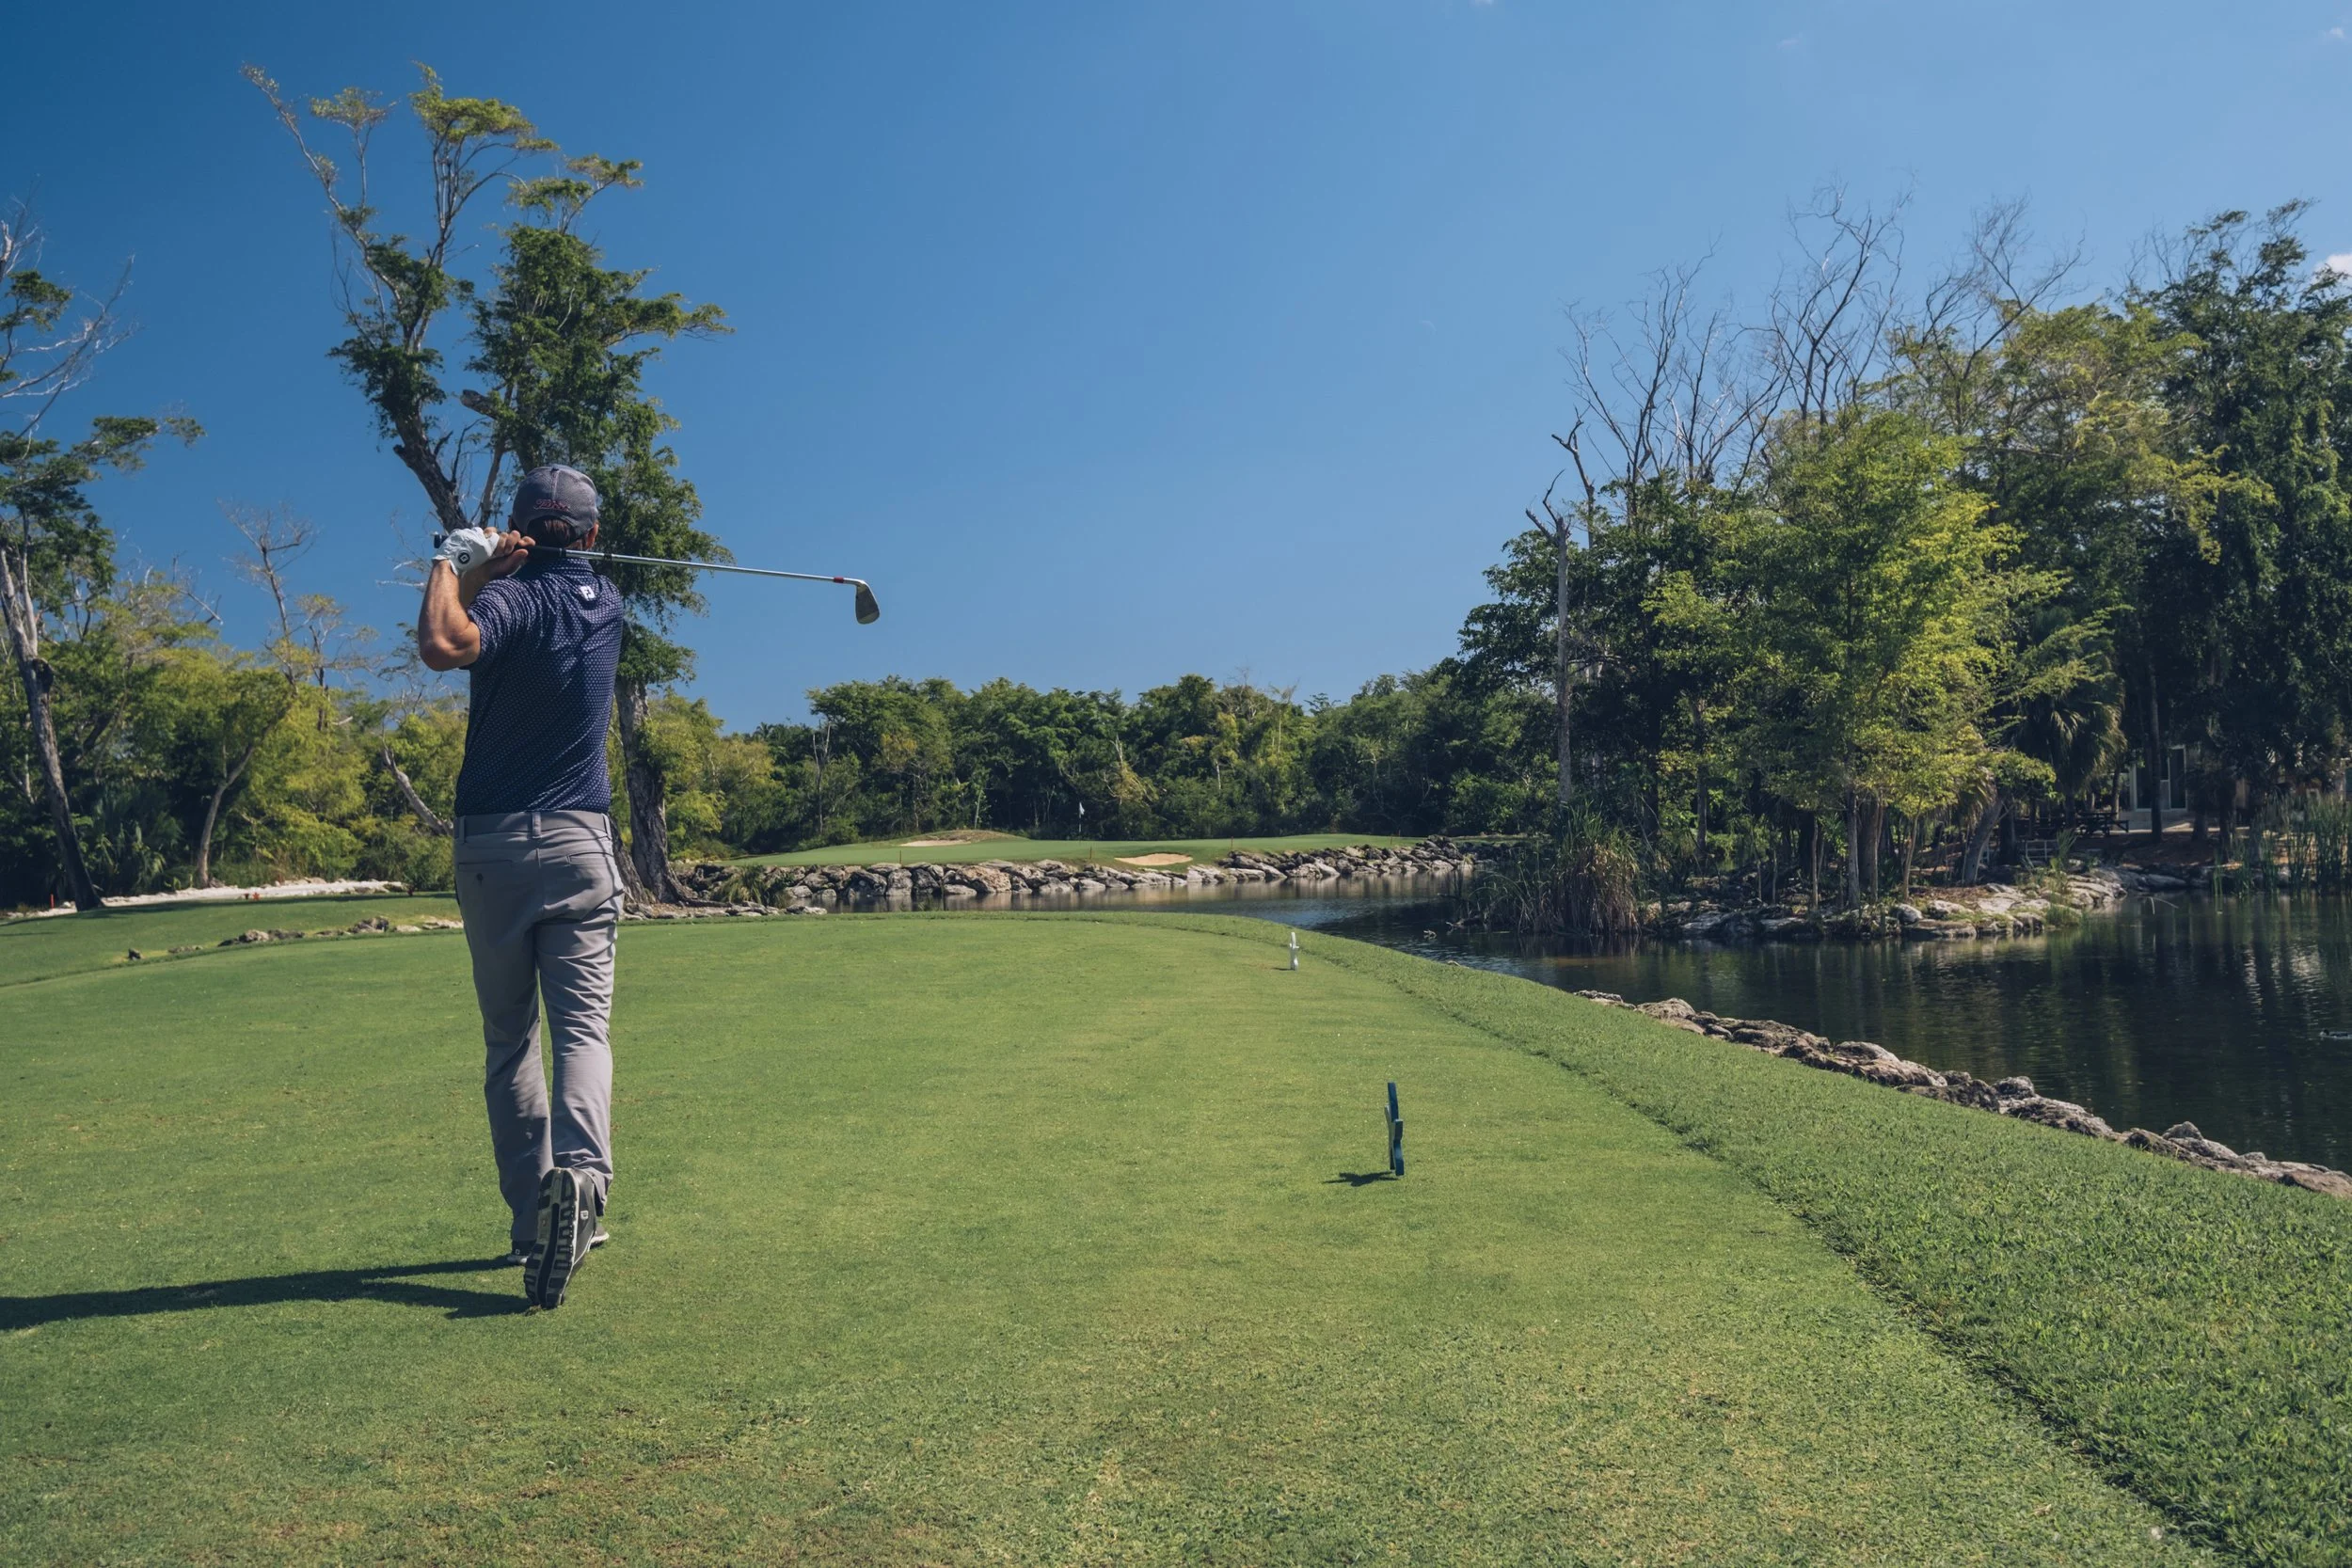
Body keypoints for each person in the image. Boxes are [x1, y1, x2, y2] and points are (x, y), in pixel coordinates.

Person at [418, 464, 626, 1309]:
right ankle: (581, 1182)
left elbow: (442, 641)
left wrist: (452, 561)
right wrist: (494, 568)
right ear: (593, 535)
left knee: (512, 1040)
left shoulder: (511, 601)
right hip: (581, 843)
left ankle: (534, 1221)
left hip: (492, 845)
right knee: (584, 1031)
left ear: (522, 531)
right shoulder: (607, 605)